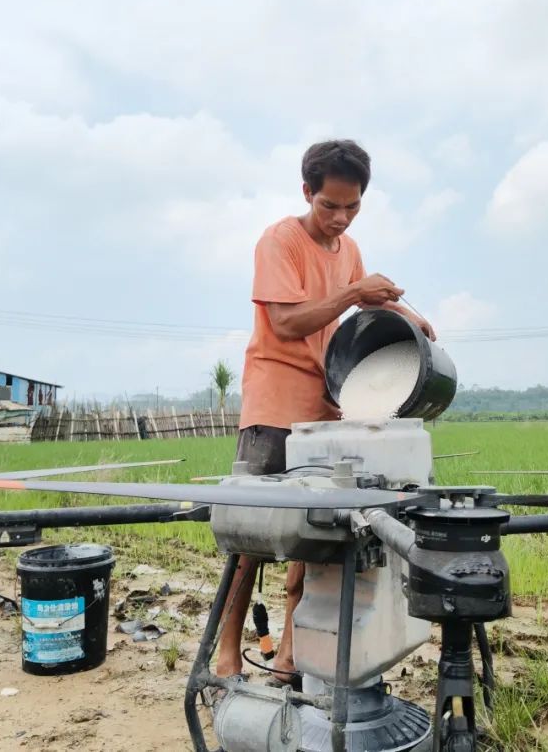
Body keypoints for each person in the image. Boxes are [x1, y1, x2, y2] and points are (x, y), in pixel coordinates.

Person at [214, 139, 435, 687]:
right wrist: (354, 291)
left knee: (315, 540)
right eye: (329, 206)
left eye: (352, 207)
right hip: (275, 404)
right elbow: (289, 323)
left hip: (328, 409)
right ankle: (225, 656)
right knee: (251, 538)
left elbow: (366, 302)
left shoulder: (350, 250)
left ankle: (292, 659)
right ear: (307, 192)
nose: (340, 219)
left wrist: (407, 314)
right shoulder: (280, 241)